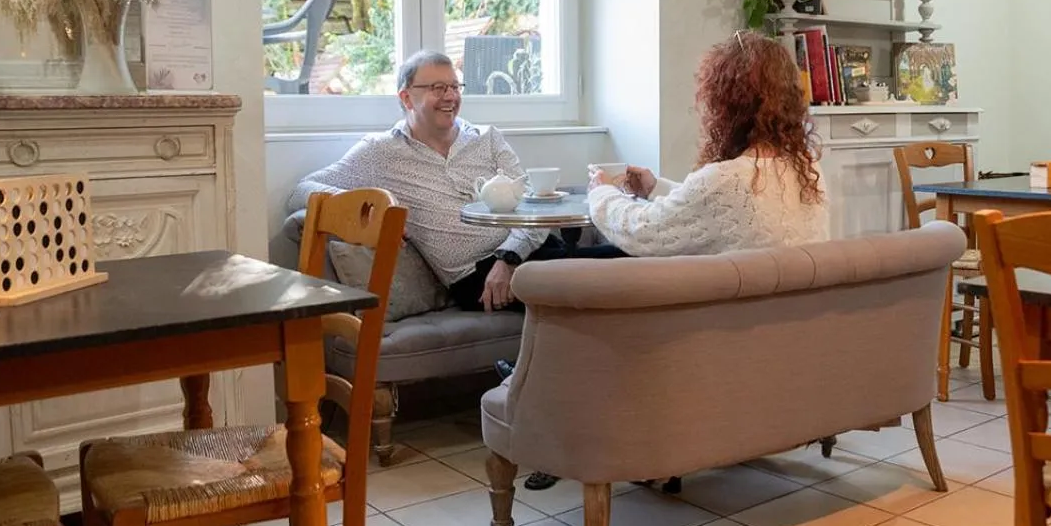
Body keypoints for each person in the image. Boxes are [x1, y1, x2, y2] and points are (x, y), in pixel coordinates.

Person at [288, 50, 549, 314]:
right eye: (438, 88)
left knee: (588, 273)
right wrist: (372, 210)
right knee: (585, 284)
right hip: (476, 278)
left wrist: (508, 257)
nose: (450, 96)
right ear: (406, 97)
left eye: (454, 87)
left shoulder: (487, 139)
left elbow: (532, 207)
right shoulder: (381, 152)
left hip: (524, 253)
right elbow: (302, 191)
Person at [586, 30, 830, 255]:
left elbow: (643, 232)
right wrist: (655, 188)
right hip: (799, 302)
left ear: (727, 105)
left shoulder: (725, 179)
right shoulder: (807, 171)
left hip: (735, 302)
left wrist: (602, 192)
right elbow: (726, 210)